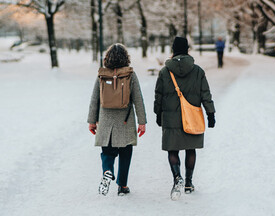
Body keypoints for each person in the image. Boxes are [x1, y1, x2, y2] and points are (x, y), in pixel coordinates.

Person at [154, 37, 215, 200]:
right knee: (190, 149)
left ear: (173, 50)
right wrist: (210, 114)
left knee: (172, 150)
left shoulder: (164, 72)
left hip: (170, 117)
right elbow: (205, 94)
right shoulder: (198, 71)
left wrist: (157, 113)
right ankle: (188, 183)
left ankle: (177, 178)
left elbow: (158, 95)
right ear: (188, 49)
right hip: (192, 117)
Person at [87, 43, 147, 197]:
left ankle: (107, 171)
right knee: (125, 153)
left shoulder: (102, 74)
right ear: (126, 58)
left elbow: (95, 99)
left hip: (106, 120)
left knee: (107, 151)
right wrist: (142, 121)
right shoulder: (130, 74)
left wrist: (92, 121)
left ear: (107, 58)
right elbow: (138, 99)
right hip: (125, 120)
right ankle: (122, 185)